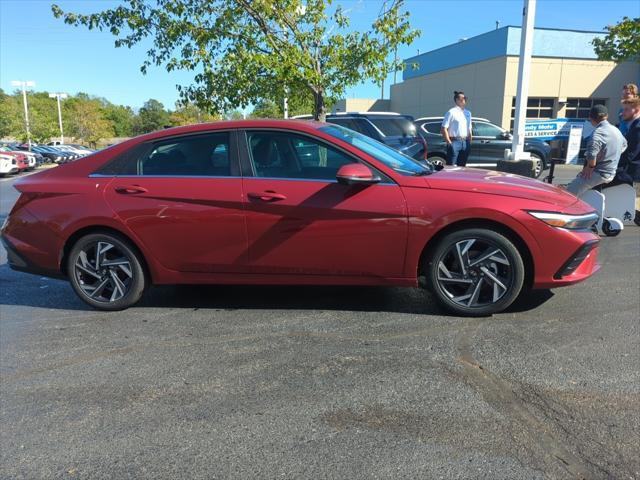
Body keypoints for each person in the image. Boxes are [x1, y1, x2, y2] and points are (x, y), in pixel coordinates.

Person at [566, 104, 627, 198]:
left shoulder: (597, 133)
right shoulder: (616, 130)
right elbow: (624, 145)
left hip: (599, 172)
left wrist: (590, 167)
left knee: (569, 193)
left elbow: (591, 154)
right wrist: (610, 155)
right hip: (611, 171)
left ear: (591, 118)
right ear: (606, 116)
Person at [441, 91, 472, 166]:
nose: (464, 99)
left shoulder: (468, 113)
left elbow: (469, 128)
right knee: (450, 166)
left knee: (462, 166)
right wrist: (449, 143)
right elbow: (443, 128)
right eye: (462, 98)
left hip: (465, 142)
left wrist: (469, 142)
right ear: (457, 100)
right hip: (454, 142)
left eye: (465, 98)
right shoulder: (451, 112)